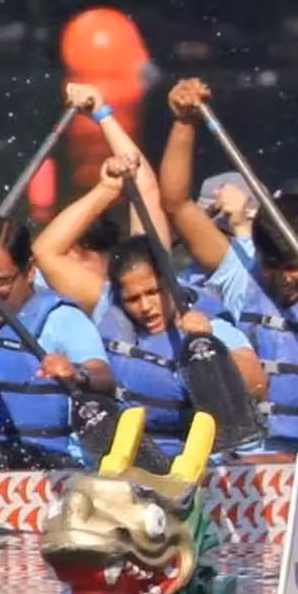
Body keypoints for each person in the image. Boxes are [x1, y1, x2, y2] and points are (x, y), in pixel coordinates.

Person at [158, 80, 298, 458]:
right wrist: (184, 122)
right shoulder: (241, 273)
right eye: (272, 266)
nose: (282, 279)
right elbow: (176, 203)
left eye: (294, 268)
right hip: (244, 462)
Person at [33, 156, 265, 458]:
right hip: (130, 461)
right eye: (132, 298)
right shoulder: (108, 306)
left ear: (171, 284)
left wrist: (210, 346)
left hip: (196, 465)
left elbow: (258, 384)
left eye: (154, 292)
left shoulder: (208, 322)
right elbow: (46, 251)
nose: (145, 307)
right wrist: (106, 189)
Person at [0, 215, 112, 469]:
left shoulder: (63, 319)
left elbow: (103, 375)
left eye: (0, 283)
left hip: (53, 472)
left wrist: (78, 374)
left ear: (29, 271)